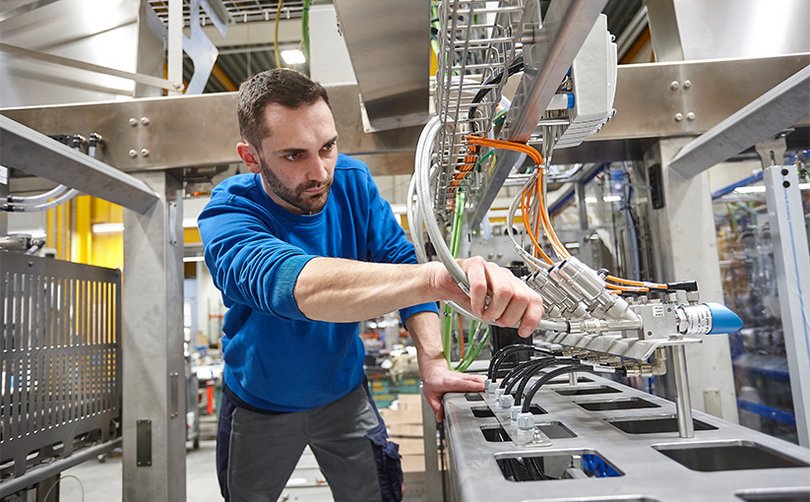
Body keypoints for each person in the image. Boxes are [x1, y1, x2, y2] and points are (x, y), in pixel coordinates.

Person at [198, 68, 544, 502]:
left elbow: (398, 261)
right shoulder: (228, 213)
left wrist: (433, 361)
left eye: (327, 147)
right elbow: (289, 284)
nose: (320, 171)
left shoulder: (353, 183)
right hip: (258, 403)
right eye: (293, 156)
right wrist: (434, 279)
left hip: (344, 395)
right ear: (251, 158)